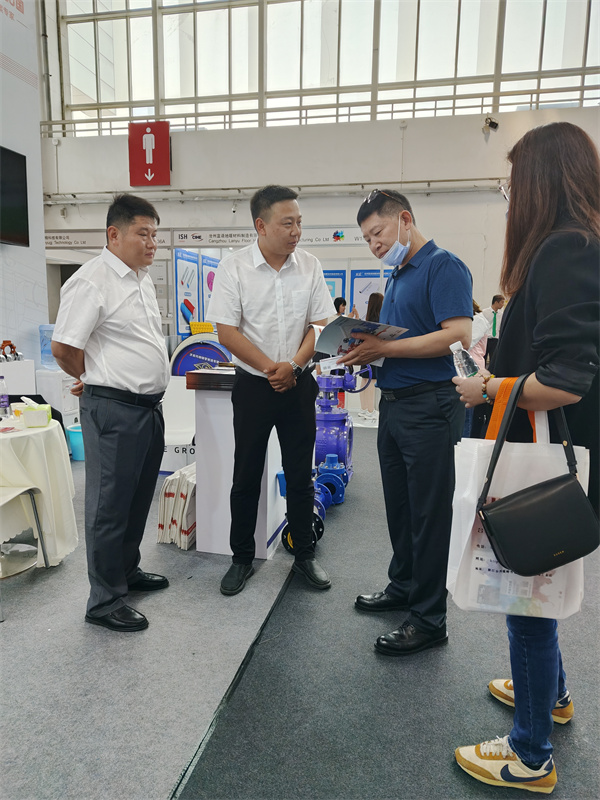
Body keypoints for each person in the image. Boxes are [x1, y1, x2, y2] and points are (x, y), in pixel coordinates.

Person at [453, 122, 599, 794]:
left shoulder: (565, 248)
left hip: (541, 460)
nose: (510, 198)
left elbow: (567, 378)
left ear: (541, 182)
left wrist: (487, 387)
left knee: (529, 598)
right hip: (552, 454)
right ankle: (552, 695)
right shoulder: (574, 244)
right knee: (540, 586)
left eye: (513, 185)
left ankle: (530, 754)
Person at [340, 189, 472, 654]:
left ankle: (429, 618)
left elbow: (458, 335)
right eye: (366, 239)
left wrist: (386, 348)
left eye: (377, 232)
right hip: (394, 405)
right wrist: (364, 351)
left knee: (429, 513)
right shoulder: (397, 275)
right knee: (399, 506)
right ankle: (404, 586)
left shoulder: (442, 266)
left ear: (405, 220)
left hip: (430, 405)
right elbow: (396, 343)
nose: (374, 244)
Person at [207, 185, 335, 596]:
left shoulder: (310, 265)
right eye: (287, 223)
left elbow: (321, 325)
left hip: (298, 383)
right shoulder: (234, 268)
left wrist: (293, 366)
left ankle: (304, 555)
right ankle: (241, 559)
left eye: (299, 222)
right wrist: (270, 368)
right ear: (261, 226)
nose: (296, 231)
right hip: (253, 387)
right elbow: (227, 331)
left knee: (300, 475)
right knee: (246, 475)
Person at [51, 194, 170, 632]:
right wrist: (94, 377)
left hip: (147, 408)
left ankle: (126, 570)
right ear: (114, 234)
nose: (152, 243)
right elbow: (64, 347)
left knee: (137, 499)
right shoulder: (92, 280)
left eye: (155, 234)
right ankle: (103, 600)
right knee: (109, 506)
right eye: (143, 233)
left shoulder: (140, 279)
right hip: (114, 409)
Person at [462, 300, 491, 437]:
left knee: (467, 416)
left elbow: (467, 344)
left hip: (473, 370)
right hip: (466, 370)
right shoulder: (473, 321)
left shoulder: (478, 320)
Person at [357, 291, 383, 423]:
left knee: (364, 380)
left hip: (365, 354)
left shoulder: (366, 322)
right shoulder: (379, 322)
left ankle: (364, 409)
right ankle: (370, 410)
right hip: (373, 354)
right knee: (371, 381)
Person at [482, 294, 505, 365]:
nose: (503, 305)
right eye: (502, 302)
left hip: (495, 339)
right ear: (496, 302)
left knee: (494, 360)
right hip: (486, 339)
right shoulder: (484, 312)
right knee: (483, 358)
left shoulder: (501, 314)